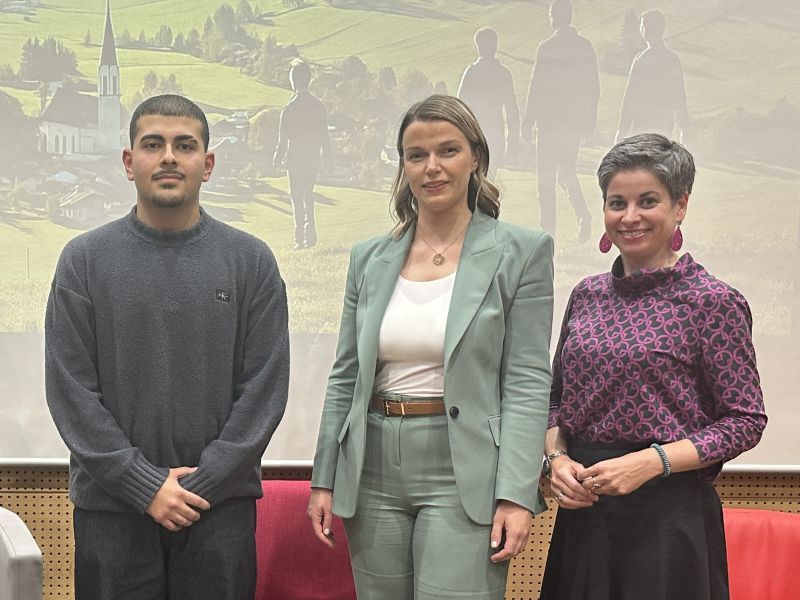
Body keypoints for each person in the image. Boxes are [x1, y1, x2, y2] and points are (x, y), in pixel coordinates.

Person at [307, 95, 554, 599]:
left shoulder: (523, 251)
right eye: (416, 155)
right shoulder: (368, 258)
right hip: (372, 467)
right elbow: (346, 374)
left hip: (465, 470)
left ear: (476, 157)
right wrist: (324, 477)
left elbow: (527, 382)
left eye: (448, 150)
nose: (431, 167)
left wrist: (516, 492)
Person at [45, 94, 290, 600]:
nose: (169, 158)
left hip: (218, 512)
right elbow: (71, 392)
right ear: (129, 162)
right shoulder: (83, 261)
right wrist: (144, 485)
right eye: (153, 144)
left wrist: (201, 486)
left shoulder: (251, 262)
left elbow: (263, 392)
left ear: (208, 164)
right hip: (112, 513)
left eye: (185, 145)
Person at [541, 133, 767, 600]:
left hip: (668, 524)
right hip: (585, 518)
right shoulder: (586, 295)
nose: (629, 217)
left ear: (680, 205)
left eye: (648, 201)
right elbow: (555, 400)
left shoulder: (713, 302)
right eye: (616, 203)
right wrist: (556, 460)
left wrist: (651, 462)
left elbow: (744, 421)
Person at [522, 0, 599, 243]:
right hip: (572, 121)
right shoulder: (585, 47)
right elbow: (594, 87)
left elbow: (536, 86)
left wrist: (528, 121)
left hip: (548, 121)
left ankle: (548, 233)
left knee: (545, 178)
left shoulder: (547, 47)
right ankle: (583, 214)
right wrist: (589, 121)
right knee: (566, 170)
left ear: (554, 17)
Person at [273, 61, 332, 249]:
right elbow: (325, 136)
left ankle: (299, 237)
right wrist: (328, 159)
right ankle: (310, 233)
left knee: (296, 196)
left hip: (295, 159)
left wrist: (277, 157)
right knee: (308, 193)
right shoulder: (319, 107)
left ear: (293, 81)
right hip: (312, 158)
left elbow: (283, 138)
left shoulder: (289, 109)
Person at [615, 10, 689, 143]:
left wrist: (622, 129)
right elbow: (679, 96)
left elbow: (630, 96)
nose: (643, 28)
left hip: (642, 123)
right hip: (662, 123)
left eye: (645, 25)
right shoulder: (672, 59)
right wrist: (684, 127)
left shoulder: (641, 59)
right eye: (642, 25)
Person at [457, 27, 520, 174]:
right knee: (488, 179)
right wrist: (512, 142)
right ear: (495, 46)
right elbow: (512, 111)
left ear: (478, 47)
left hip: (473, 136)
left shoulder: (471, 72)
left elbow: (459, 108)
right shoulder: (503, 74)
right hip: (495, 137)